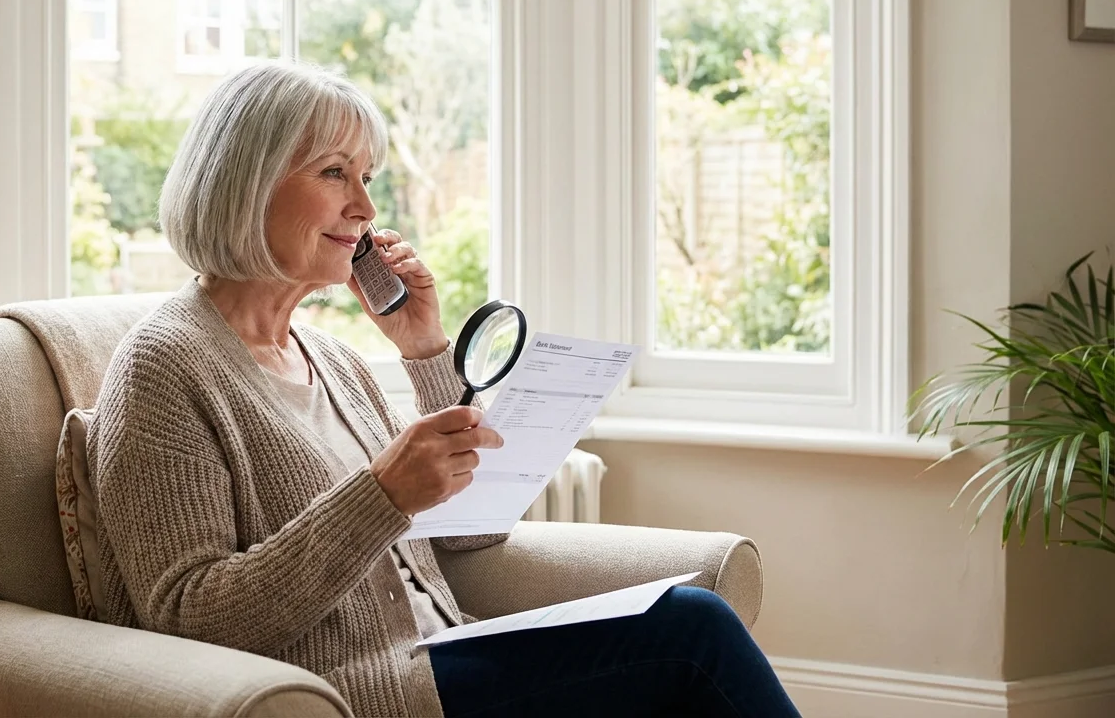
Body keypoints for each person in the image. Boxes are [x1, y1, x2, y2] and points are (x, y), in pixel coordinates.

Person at [87, 61, 800, 718]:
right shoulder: (164, 366)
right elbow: (188, 615)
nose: (366, 206)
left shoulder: (329, 358)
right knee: (691, 631)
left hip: (442, 655)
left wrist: (424, 348)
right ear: (245, 182)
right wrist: (381, 496)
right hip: (357, 693)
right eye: (335, 173)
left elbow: (474, 530)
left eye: (367, 176)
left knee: (679, 619)